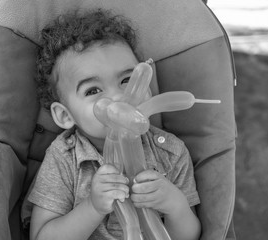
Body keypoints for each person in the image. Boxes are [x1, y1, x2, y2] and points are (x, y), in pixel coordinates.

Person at [28, 8, 201, 240]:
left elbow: (188, 237)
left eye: (127, 80)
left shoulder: (170, 152)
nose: (119, 98)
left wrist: (175, 205)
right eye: (93, 90)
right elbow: (42, 236)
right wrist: (93, 207)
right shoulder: (64, 158)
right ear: (65, 115)